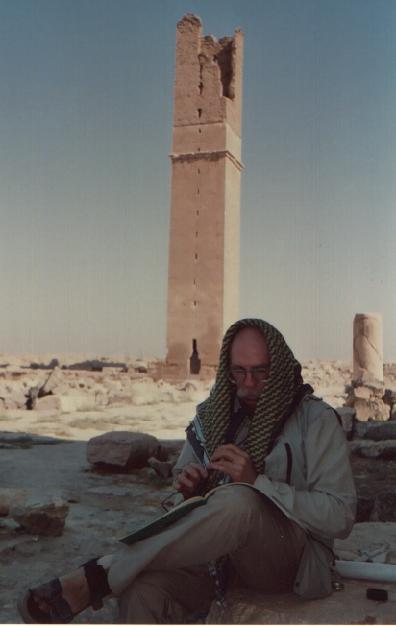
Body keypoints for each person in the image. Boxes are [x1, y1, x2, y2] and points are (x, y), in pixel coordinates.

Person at [18, 318, 356, 624]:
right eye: (238, 372)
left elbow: (340, 515)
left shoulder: (315, 420)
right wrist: (185, 494)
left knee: (240, 501)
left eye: (261, 372)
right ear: (226, 369)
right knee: (141, 593)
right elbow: (172, 504)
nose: (249, 384)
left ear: (280, 368)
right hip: (214, 564)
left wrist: (258, 483)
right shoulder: (213, 417)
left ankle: (100, 575)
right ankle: (111, 576)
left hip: (286, 565)